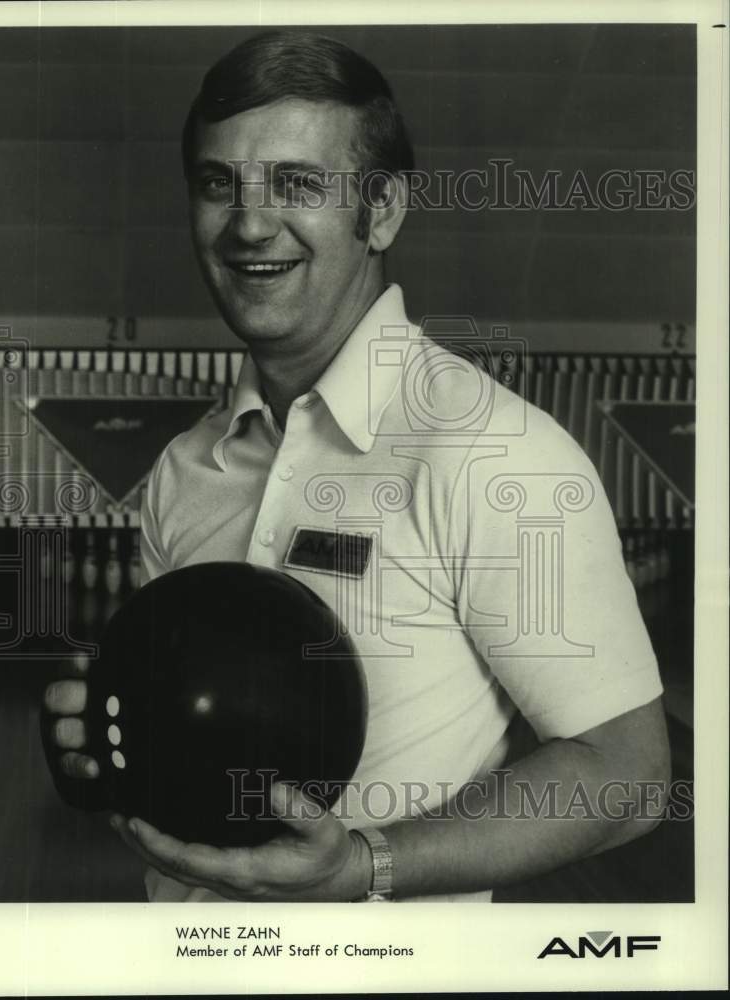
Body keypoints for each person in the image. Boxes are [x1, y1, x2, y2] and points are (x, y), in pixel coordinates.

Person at [43, 30, 670, 903]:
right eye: (218, 184)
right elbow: (191, 744)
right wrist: (105, 752)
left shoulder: (493, 454)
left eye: (298, 184)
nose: (250, 223)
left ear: (381, 212)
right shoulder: (186, 468)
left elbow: (626, 775)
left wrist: (363, 865)